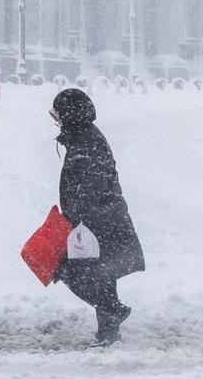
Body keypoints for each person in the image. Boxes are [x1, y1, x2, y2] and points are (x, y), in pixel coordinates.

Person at [50, 87, 146, 346]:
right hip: (101, 218)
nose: (56, 121)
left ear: (70, 114)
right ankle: (108, 331)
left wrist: (76, 219)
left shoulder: (86, 141)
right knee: (101, 274)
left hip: (98, 221)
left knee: (71, 270)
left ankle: (112, 312)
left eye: (58, 115)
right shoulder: (81, 137)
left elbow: (92, 184)